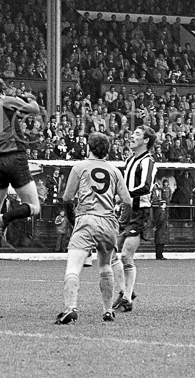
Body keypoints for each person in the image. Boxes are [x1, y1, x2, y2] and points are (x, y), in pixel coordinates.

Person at [56, 132, 132, 324]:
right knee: (106, 265)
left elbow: (66, 198)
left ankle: (70, 308)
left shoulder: (80, 166)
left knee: (73, 266)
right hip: (108, 223)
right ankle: (107, 311)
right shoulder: (115, 170)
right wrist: (121, 222)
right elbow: (127, 202)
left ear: (89, 147)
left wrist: (73, 220)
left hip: (86, 219)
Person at [0, 77, 42, 277]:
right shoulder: (6, 101)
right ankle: (6, 218)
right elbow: (35, 109)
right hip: (15, 155)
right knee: (34, 206)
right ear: (1, 90)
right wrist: (29, 98)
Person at [111, 125, 157, 313]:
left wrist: (124, 195)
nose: (132, 136)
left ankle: (127, 298)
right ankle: (125, 291)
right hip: (126, 211)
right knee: (111, 254)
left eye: (137, 134)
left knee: (126, 256)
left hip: (140, 212)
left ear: (146, 140)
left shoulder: (148, 162)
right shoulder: (129, 160)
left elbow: (146, 187)